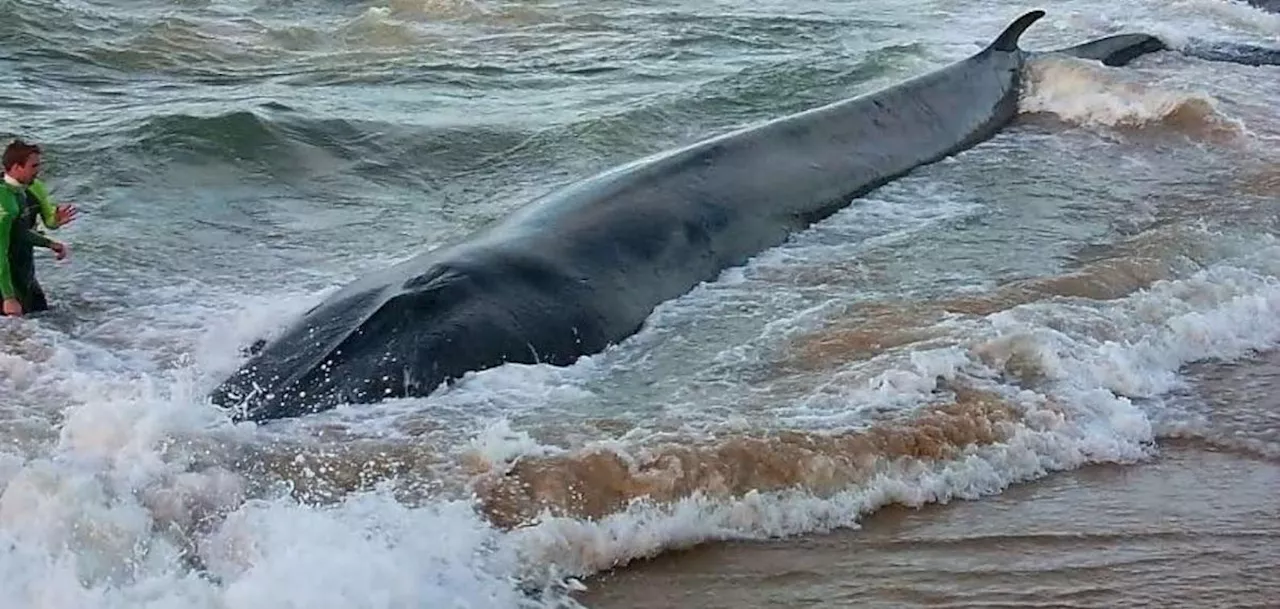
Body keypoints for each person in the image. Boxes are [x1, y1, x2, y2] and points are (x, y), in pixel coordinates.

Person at [0, 139, 79, 317]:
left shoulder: (19, 193)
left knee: (42, 320)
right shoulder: (4, 201)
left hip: (24, 271)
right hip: (4, 277)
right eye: (33, 166)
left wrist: (50, 243)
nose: (38, 170)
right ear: (15, 167)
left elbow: (19, 232)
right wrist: (8, 297)